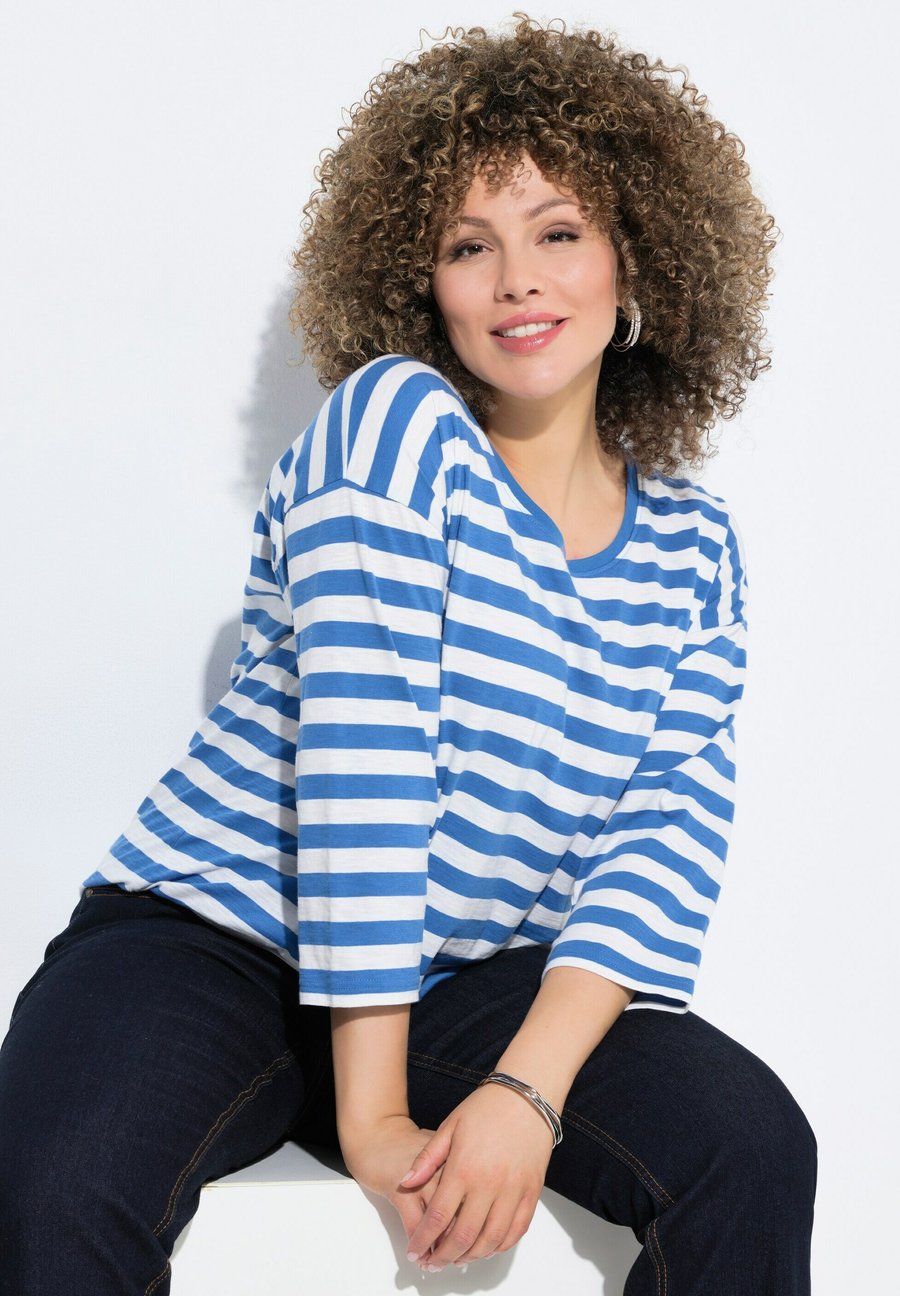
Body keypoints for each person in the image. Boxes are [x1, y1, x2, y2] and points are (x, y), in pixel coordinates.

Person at [0, 14, 817, 1295]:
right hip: (218, 938)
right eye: (468, 246)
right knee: (58, 1185)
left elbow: (663, 835)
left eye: (559, 233)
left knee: (752, 1147)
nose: (517, 281)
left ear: (638, 257)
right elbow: (366, 760)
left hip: (464, 979)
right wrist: (374, 1119)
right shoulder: (396, 425)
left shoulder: (694, 549)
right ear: (420, 281)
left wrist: (526, 1093)